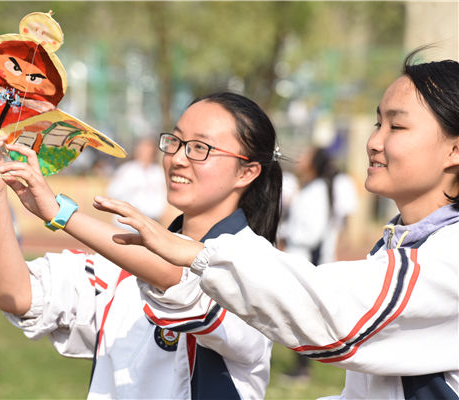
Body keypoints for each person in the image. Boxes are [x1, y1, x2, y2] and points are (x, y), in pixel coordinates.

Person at [96, 51, 459, 399]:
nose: (374, 141)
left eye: (397, 126)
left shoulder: (450, 258)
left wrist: (199, 255)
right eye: (378, 123)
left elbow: (336, 314)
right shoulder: (401, 247)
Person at [0, 91, 283, 398]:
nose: (177, 158)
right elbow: (18, 296)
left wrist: (59, 213)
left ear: (247, 172)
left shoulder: (255, 269)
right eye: (175, 141)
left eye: (200, 147)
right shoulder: (121, 269)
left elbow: (180, 275)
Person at [105, 136, 167, 230]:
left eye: (150, 149)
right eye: (145, 149)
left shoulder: (158, 172)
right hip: (126, 224)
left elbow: (163, 196)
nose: (147, 152)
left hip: (151, 224)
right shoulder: (127, 170)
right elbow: (112, 192)